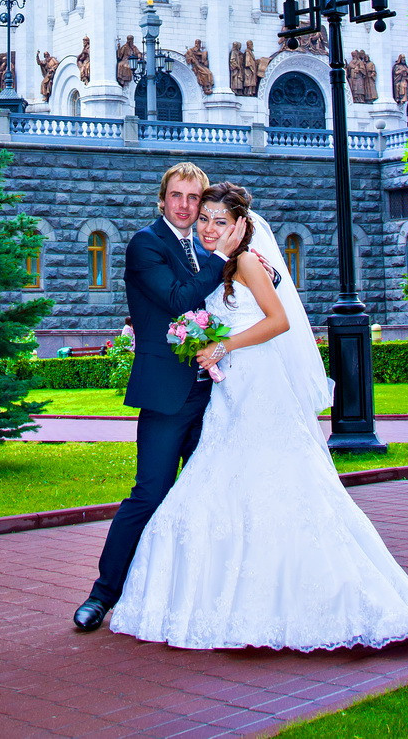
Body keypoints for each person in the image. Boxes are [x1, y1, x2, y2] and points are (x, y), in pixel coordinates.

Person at [110, 182, 408, 651]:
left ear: (241, 225)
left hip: (259, 383)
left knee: (278, 481)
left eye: (219, 221)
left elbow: (279, 320)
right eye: (203, 219)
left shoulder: (246, 260)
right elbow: (187, 298)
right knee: (221, 485)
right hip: (229, 391)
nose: (208, 227)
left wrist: (223, 345)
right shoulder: (212, 261)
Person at [72, 162, 243, 632]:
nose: (185, 206)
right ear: (162, 199)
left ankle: (201, 597)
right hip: (168, 395)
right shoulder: (146, 244)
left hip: (218, 395)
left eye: (194, 197)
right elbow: (177, 299)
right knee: (150, 494)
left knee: (213, 495)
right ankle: (102, 595)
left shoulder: (208, 245)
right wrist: (222, 258)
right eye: (176, 196)